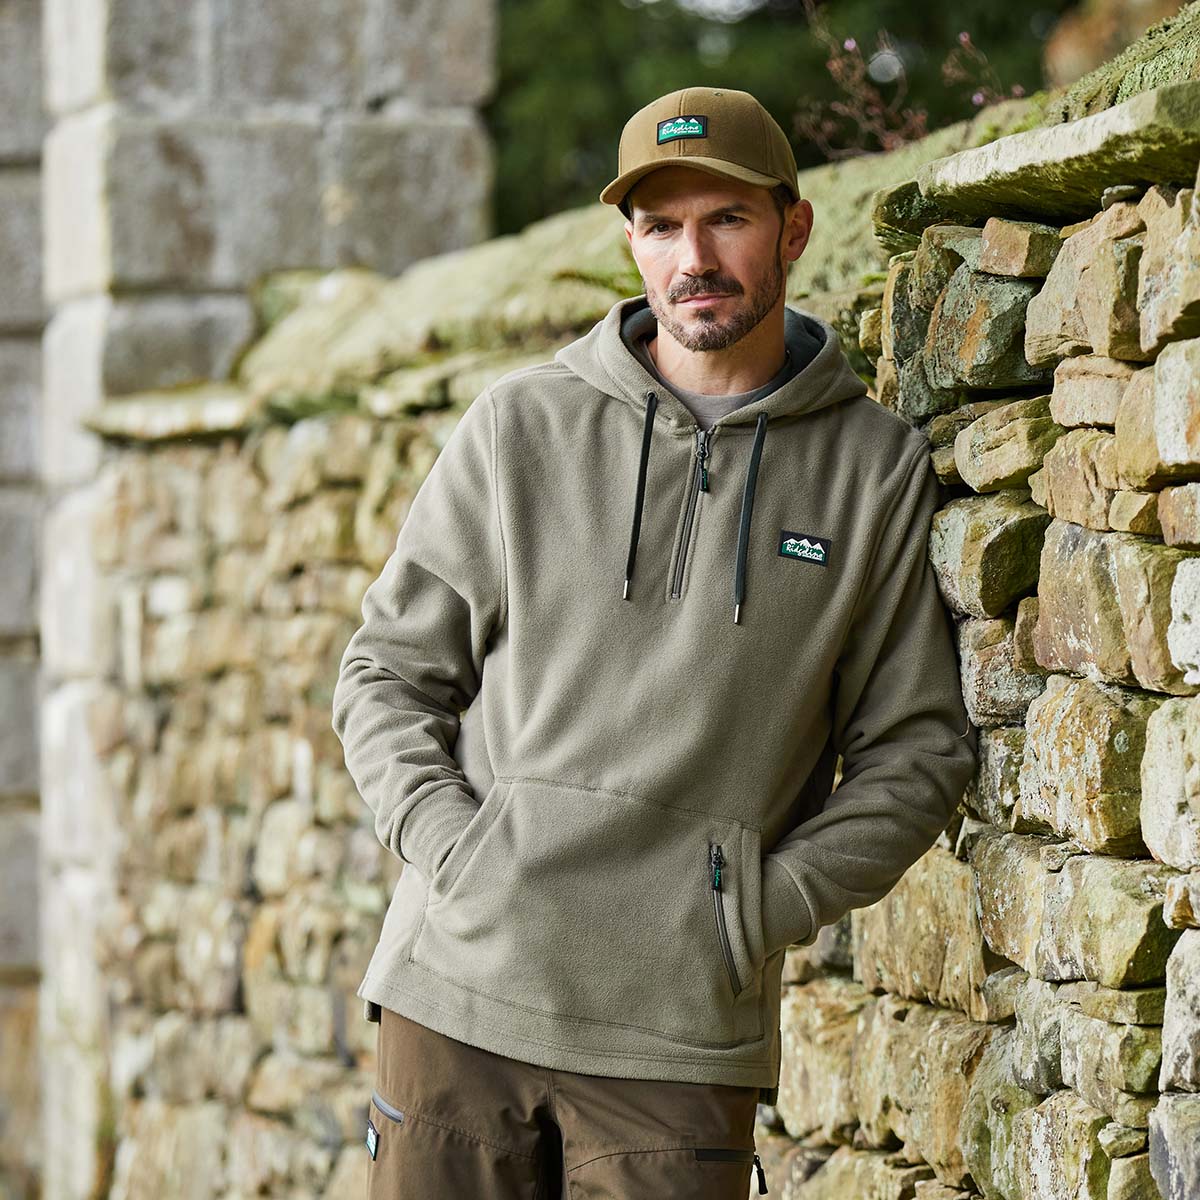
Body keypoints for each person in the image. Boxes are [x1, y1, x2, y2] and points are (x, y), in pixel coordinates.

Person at [332, 84, 979, 1200]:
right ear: (632, 244)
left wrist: (754, 910)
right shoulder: (522, 425)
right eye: (661, 226)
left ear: (792, 229)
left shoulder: (870, 471)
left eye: (726, 219)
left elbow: (919, 750)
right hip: (457, 1001)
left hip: (678, 1041)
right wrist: (457, 853)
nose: (695, 259)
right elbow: (385, 673)